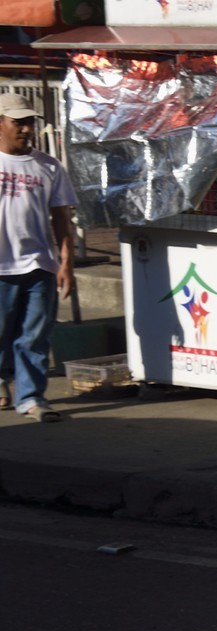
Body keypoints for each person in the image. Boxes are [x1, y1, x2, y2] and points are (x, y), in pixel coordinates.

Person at [1, 93, 77, 423]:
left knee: (34, 335)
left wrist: (66, 263)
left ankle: (31, 397)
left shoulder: (48, 166)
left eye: (29, 122)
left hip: (39, 264)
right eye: (18, 122)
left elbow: (61, 218)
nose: (26, 129)